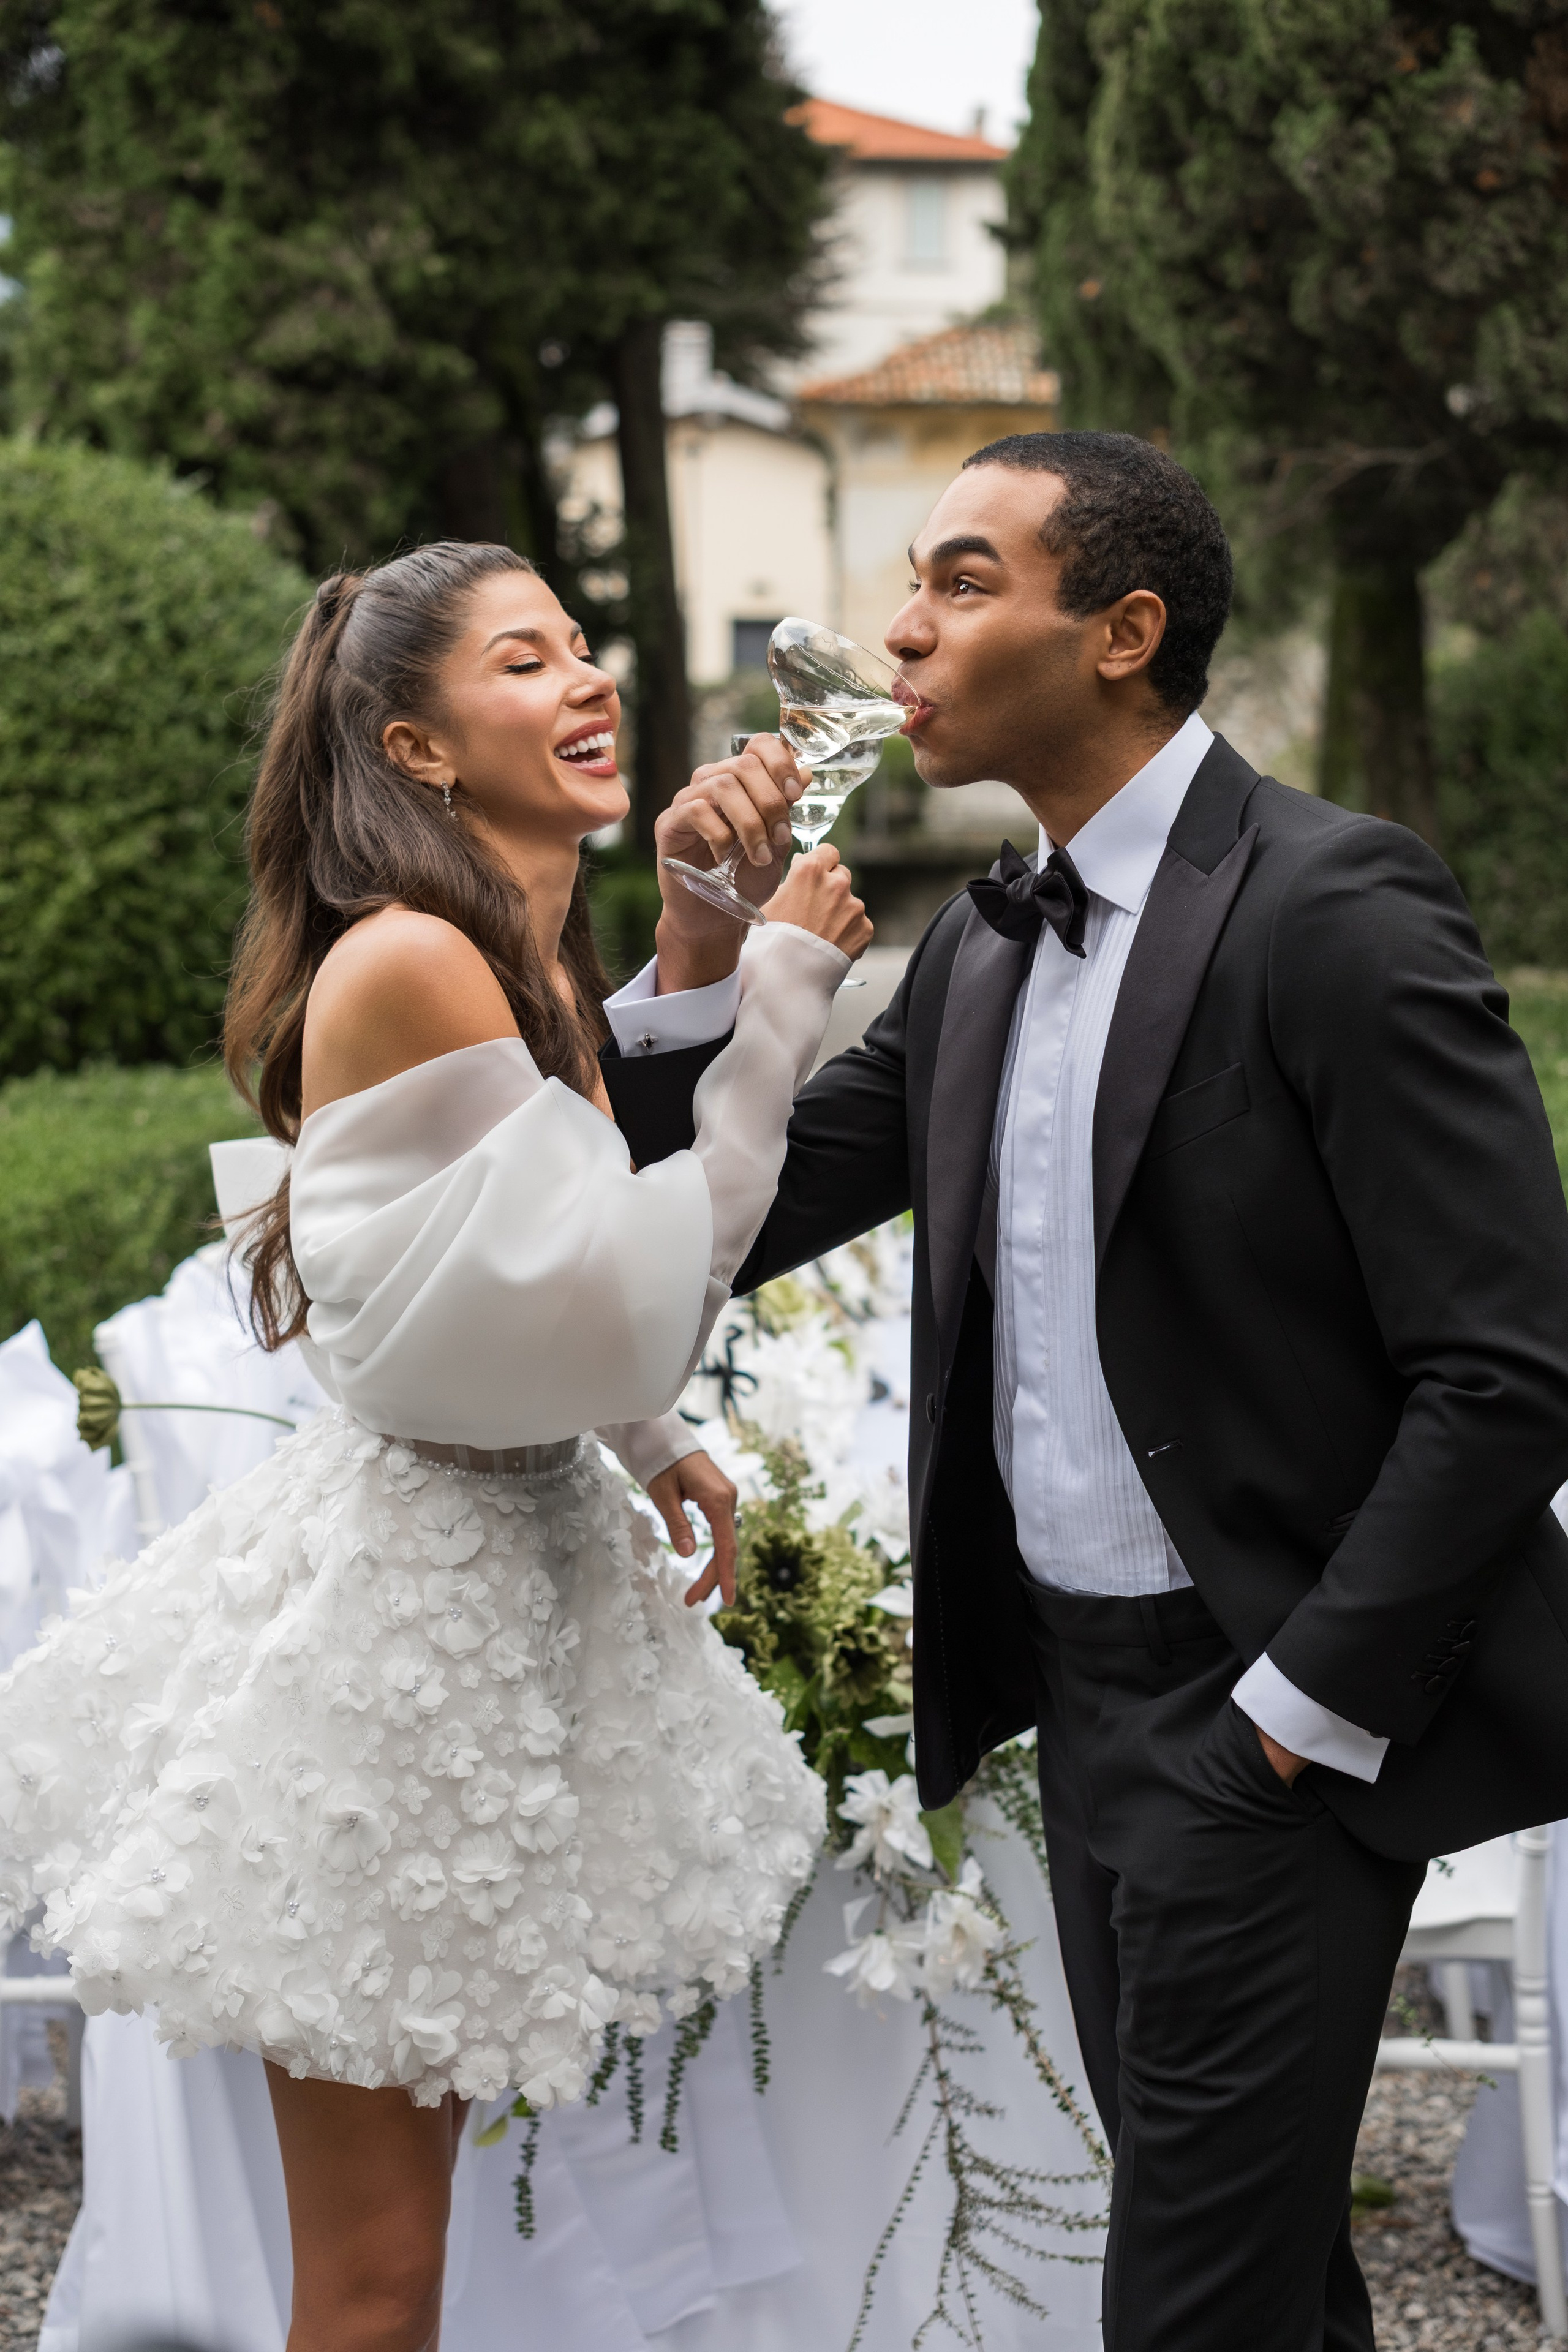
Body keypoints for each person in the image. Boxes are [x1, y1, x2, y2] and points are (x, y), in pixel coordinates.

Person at [601, 433, 1568, 2351]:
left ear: (1125, 631)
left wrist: (1293, 1722)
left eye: (964, 583)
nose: (899, 629)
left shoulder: (1338, 906)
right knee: (1261, 2274)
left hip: (1265, 1726)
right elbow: (716, 1218)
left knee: (1189, 2306)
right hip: (1080, 1710)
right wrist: (701, 953)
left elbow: (1510, 1369)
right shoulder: (978, 947)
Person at [0, 540, 870, 2352]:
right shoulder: (412, 960)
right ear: (416, 749)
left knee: (413, 2266)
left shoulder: (510, 954)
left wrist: (643, 1438)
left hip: (494, 1593)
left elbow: (516, 1268)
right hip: (393, 1668)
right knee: (379, 2287)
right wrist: (781, 996)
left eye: (583, 647)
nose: (588, 683)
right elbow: (640, 1283)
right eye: (525, 662)